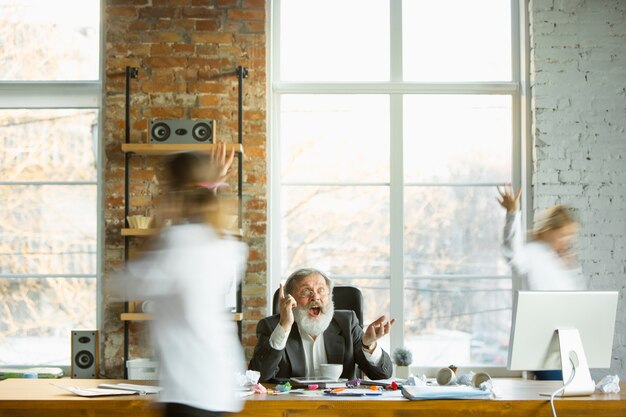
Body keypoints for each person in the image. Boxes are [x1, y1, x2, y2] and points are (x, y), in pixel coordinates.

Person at [122, 142, 248, 417]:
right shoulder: (227, 244)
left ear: (173, 192)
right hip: (220, 384)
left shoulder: (176, 243)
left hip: (189, 387)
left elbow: (125, 284)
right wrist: (212, 187)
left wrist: (160, 221)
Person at [249, 268, 395, 382]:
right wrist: (284, 326)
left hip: (341, 408)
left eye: (321, 290)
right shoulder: (272, 326)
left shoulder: (347, 322)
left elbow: (382, 375)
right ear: (290, 300)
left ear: (329, 297)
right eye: (306, 291)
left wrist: (369, 346)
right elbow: (260, 377)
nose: (315, 297)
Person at [497, 185, 587, 291]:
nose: (566, 241)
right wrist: (513, 214)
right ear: (549, 230)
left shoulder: (562, 260)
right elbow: (513, 255)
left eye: (569, 236)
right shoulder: (534, 252)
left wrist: (569, 268)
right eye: (562, 235)